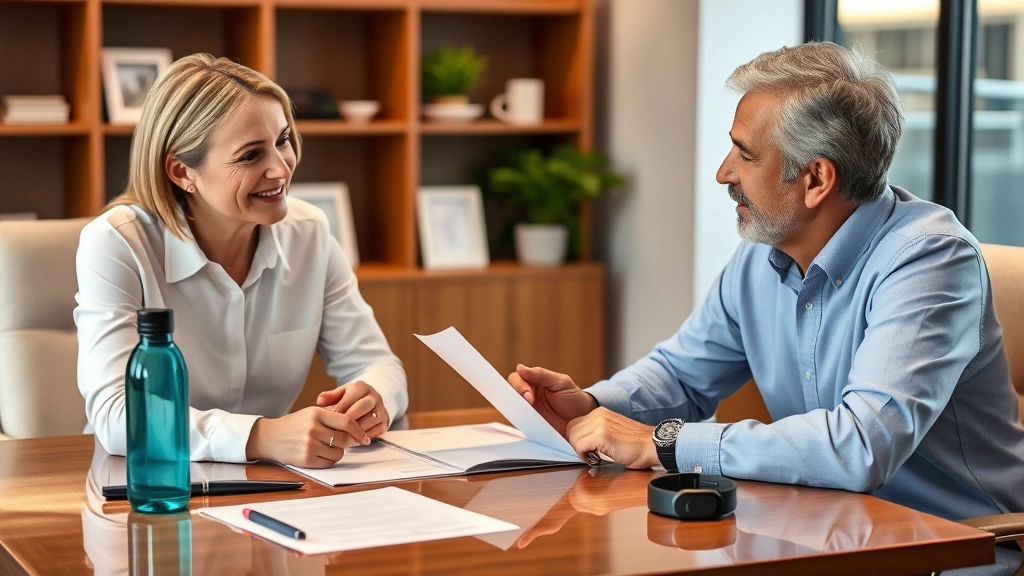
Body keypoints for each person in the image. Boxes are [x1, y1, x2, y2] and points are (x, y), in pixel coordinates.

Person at [508, 42, 1024, 525]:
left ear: (817, 179)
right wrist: (596, 408)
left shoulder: (930, 260)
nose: (722, 173)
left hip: (955, 544)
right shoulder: (763, 252)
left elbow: (860, 446)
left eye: (745, 155)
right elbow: (682, 375)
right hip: (826, 531)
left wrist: (664, 441)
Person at [75, 54, 407, 468]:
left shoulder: (311, 232)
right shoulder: (117, 244)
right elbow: (117, 414)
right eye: (250, 156)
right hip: (150, 486)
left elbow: (376, 362)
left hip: (269, 488)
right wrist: (260, 437)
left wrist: (374, 396)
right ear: (182, 172)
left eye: (283, 140)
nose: (280, 168)